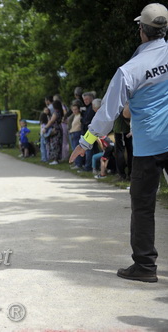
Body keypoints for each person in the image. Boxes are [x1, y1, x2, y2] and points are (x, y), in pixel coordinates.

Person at [70, 3, 168, 283]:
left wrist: (85, 143)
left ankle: (145, 266)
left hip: (148, 147)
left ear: (141, 31)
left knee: (143, 206)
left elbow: (107, 114)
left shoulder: (130, 69)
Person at [43, 100, 64, 165]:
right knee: (58, 144)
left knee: (55, 144)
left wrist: (45, 128)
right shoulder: (60, 112)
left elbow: (51, 121)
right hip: (59, 128)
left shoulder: (56, 113)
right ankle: (57, 158)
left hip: (55, 129)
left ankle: (55, 159)